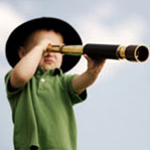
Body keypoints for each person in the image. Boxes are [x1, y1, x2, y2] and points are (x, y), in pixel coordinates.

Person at [5, 17, 105, 150]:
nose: (50, 52)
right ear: (23, 53)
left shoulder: (63, 82)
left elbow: (81, 82)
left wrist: (92, 72)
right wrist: (41, 47)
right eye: (43, 48)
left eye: (57, 49)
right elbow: (22, 75)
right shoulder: (20, 79)